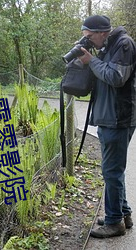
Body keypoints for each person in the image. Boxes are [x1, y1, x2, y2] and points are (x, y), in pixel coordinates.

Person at [78, 15, 136, 238]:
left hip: (118, 118)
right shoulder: (107, 46)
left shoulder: (124, 44)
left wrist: (91, 61)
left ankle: (114, 223)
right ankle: (123, 214)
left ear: (102, 32)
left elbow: (115, 77)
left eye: (90, 37)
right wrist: (88, 60)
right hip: (108, 117)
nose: (89, 41)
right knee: (113, 171)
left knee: (111, 171)